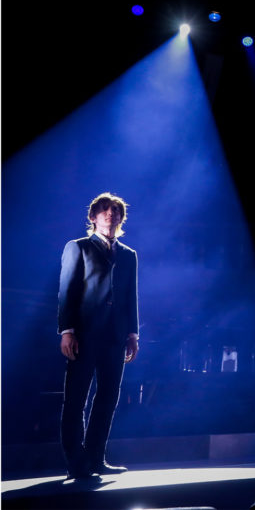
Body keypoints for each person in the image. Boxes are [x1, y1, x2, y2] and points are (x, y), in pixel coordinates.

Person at [58, 193, 140, 480]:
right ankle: (76, 463)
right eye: (104, 210)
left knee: (107, 397)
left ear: (121, 218)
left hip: (115, 336)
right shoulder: (78, 247)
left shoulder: (128, 254)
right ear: (93, 217)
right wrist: (67, 331)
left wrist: (133, 333)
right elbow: (67, 291)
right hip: (84, 334)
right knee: (76, 399)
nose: (110, 215)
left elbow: (130, 296)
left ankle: (96, 459)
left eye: (115, 211)